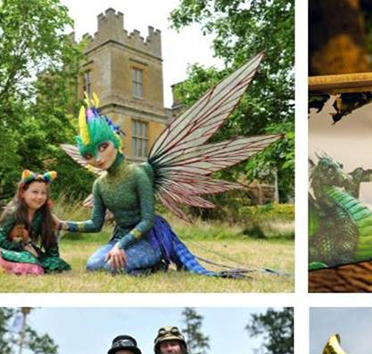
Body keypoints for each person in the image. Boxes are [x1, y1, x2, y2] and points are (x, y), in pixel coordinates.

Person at [57, 55, 278, 276]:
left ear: (114, 141)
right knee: (93, 265)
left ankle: (155, 262)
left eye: (102, 147)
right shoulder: (100, 184)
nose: (98, 157)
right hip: (119, 239)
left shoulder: (138, 173)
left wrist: (121, 246)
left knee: (111, 267)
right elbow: (95, 224)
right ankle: (140, 265)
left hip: (148, 239)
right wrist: (63, 224)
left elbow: (147, 219)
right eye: (88, 155)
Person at [0, 171, 70, 275]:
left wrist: (53, 261)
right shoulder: (13, 213)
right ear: (23, 193)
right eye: (35, 192)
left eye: (43, 193)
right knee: (30, 260)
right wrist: (23, 247)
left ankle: (0, 269)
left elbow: (50, 245)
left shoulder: (44, 215)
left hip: (29, 252)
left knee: (60, 265)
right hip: (7, 251)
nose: (39, 197)